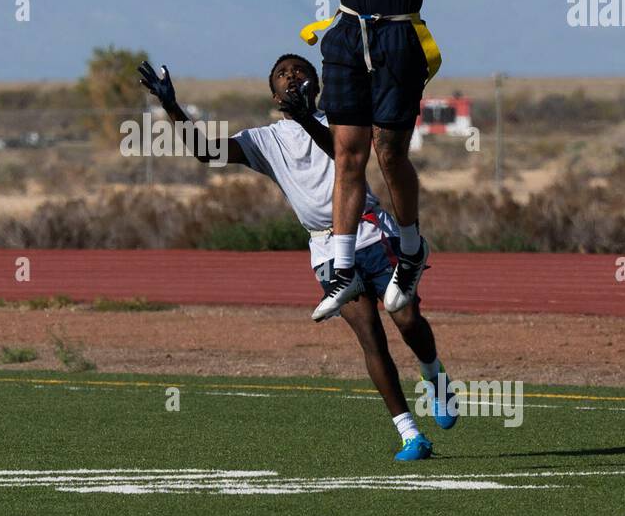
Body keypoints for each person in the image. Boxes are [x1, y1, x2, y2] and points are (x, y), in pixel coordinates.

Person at [221, 0, 614, 321]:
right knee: (349, 154)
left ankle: (409, 250)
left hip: (398, 39)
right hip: (344, 34)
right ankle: (341, 269)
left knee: (390, 153)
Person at [138, 54, 455, 461]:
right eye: (282, 75)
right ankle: (410, 434)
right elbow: (205, 151)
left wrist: (308, 118)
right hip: (326, 246)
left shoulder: (340, 122)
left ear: (316, 86)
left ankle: (435, 376)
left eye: (300, 72)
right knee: (370, 338)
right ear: (273, 93)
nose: (291, 77)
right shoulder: (265, 140)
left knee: (407, 317)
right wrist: (171, 106)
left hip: (371, 232)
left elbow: (345, 158)